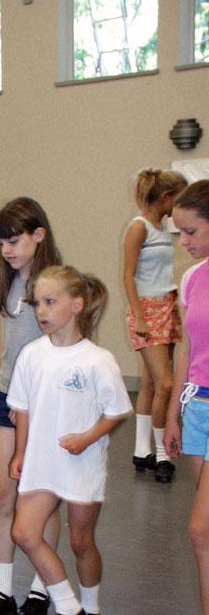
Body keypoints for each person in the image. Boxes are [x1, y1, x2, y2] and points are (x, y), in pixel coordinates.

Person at [8, 266, 132, 615]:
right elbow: (21, 408)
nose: (41, 311)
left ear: (76, 305)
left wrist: (86, 438)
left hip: (81, 464)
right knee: (24, 533)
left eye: (50, 302)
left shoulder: (97, 360)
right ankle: (67, 608)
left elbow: (116, 411)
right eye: (37, 304)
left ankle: (90, 613)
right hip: (41, 462)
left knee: (81, 541)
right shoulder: (32, 355)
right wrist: (20, 452)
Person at [0, 198, 62, 615]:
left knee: (41, 497)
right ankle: (2, 591)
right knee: (1, 494)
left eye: (13, 241)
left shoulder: (54, 283)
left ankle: (41, 591)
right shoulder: (8, 283)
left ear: (38, 235)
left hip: (44, 402)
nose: (6, 250)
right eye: (1, 244)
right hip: (8, 396)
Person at [165, 180, 209, 615]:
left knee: (201, 530)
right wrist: (174, 413)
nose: (184, 242)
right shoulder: (194, 278)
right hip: (198, 407)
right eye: (179, 233)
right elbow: (186, 349)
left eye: (191, 232)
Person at [123, 169, 188, 483]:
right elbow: (128, 276)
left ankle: (141, 451)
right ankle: (163, 454)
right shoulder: (139, 227)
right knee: (166, 384)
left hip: (166, 306)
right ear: (165, 197)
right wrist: (139, 316)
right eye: (178, 199)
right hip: (148, 311)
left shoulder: (162, 228)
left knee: (150, 384)